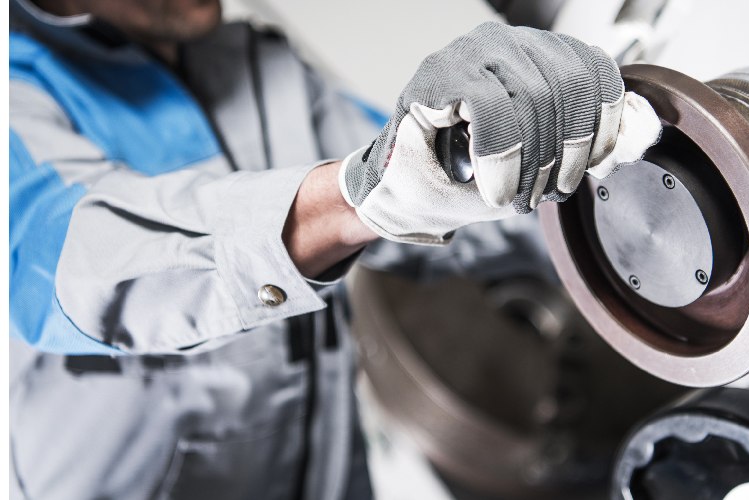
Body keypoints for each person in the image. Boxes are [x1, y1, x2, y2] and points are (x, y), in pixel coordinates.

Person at [8, 0, 661, 498]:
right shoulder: (17, 90)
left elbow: (447, 198)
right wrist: (364, 194)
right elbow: (75, 262)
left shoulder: (260, 63)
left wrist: (617, 196)